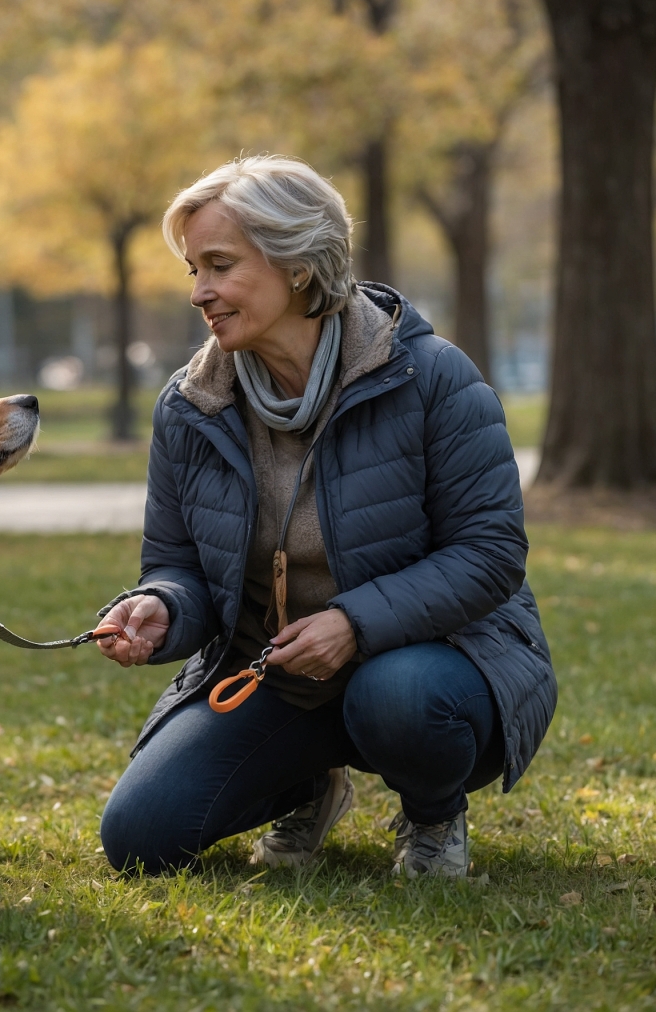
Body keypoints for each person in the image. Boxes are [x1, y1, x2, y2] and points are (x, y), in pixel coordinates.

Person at [94, 155, 555, 877]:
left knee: (394, 695)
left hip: (435, 666)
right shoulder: (191, 405)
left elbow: (490, 553)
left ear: (299, 265)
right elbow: (178, 564)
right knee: (139, 839)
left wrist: (354, 624)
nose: (199, 292)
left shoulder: (433, 378)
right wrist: (160, 605)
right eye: (193, 270)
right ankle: (304, 782)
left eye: (219, 264)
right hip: (278, 680)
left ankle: (432, 815)